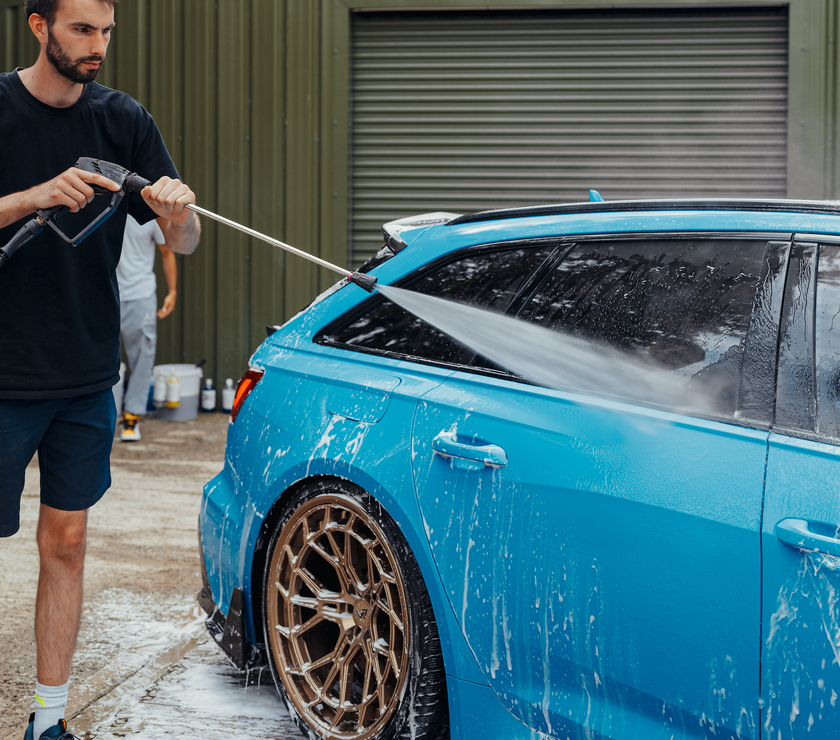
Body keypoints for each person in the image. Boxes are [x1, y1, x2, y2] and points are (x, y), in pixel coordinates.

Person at [0, 1, 201, 738]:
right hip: (3, 376)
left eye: (107, 31)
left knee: (69, 543)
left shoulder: (124, 120)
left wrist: (178, 211)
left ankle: (47, 722)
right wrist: (33, 196)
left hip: (84, 375)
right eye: (83, 29)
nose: (98, 46)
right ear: (37, 25)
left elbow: (185, 237)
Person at [117, 215, 177, 442]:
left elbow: (167, 251)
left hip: (141, 294)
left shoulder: (150, 214)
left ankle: (131, 417)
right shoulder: (101, 207)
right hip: (106, 293)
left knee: (143, 354)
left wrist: (172, 292)